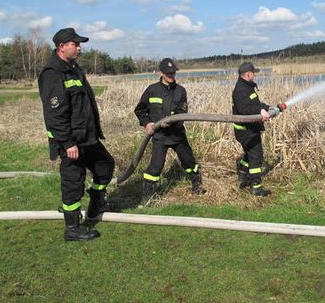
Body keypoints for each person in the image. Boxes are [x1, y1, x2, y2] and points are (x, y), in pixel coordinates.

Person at [38, 27, 115, 241]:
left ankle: (96, 206)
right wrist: (67, 142)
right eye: (76, 44)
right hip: (71, 141)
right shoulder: (53, 73)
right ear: (62, 47)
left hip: (87, 137)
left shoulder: (73, 68)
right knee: (73, 181)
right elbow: (54, 114)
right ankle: (72, 228)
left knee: (105, 165)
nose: (80, 48)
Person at [134, 58, 206, 205]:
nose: (171, 75)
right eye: (168, 73)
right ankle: (147, 196)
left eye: (173, 72)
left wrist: (172, 121)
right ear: (161, 73)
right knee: (156, 166)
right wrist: (147, 124)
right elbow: (140, 110)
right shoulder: (152, 90)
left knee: (189, 161)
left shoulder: (180, 91)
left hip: (177, 134)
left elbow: (182, 113)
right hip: (159, 136)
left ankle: (196, 185)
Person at [232, 62, 277, 197]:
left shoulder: (247, 87)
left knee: (249, 155)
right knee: (256, 157)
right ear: (248, 74)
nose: (255, 74)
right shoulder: (241, 90)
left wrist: (268, 108)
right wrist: (260, 111)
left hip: (249, 129)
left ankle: (243, 177)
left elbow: (255, 104)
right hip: (246, 131)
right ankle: (256, 188)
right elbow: (245, 110)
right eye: (253, 72)